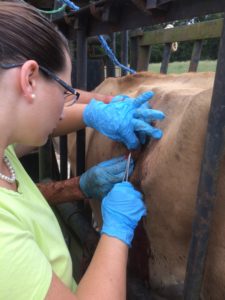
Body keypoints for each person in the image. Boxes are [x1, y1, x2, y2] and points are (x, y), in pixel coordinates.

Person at [0, 2, 165, 299]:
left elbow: (52, 114)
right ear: (29, 80)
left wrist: (97, 111)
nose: (69, 102)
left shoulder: (4, 148)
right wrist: (116, 231)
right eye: (66, 91)